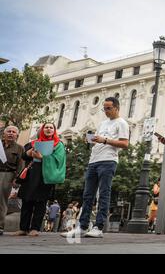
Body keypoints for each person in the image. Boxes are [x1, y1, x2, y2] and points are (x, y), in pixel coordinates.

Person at [62, 97, 129, 239]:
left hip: (108, 161)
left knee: (104, 194)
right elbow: (99, 140)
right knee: (87, 195)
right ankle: (83, 227)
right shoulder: (103, 123)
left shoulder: (122, 123)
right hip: (94, 160)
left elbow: (124, 144)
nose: (105, 111)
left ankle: (98, 227)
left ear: (117, 108)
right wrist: (91, 140)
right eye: (104, 108)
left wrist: (104, 140)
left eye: (108, 108)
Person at [15, 122, 66, 236]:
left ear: (54, 130)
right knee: (26, 201)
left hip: (45, 177)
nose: (48, 129)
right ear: (42, 130)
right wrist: (28, 153)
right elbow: (23, 156)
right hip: (30, 176)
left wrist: (43, 157)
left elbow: (59, 159)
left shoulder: (58, 145)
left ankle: (35, 228)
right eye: (46, 127)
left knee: (40, 203)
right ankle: (23, 228)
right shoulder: (33, 143)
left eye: (51, 127)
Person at [0, 126, 24, 235]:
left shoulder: (19, 148)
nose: (11, 133)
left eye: (13, 132)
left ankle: (0, 226)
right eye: (8, 131)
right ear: (4, 134)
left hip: (7, 174)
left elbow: (21, 165)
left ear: (17, 135)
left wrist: (17, 179)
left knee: (1, 201)